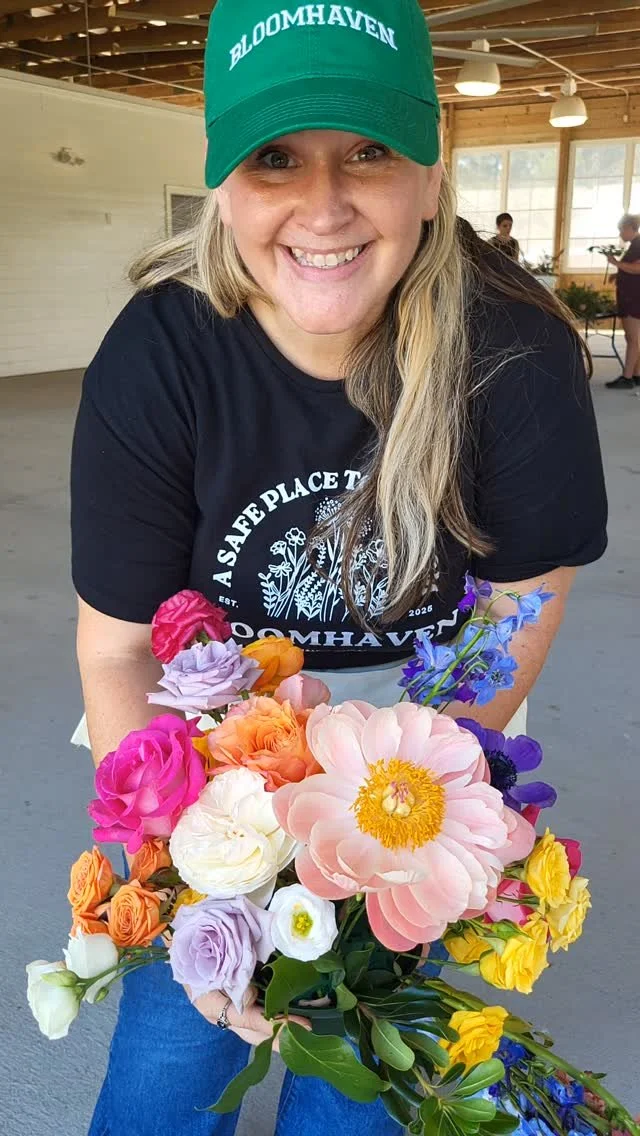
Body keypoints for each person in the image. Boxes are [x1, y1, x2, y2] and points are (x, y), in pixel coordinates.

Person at [69, 0, 608, 1132]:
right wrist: (190, 871)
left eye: (368, 151)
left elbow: (517, 604)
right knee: (165, 1077)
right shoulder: (160, 352)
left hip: (428, 735)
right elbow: (118, 649)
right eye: (276, 157)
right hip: (210, 751)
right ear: (223, 181)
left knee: (358, 1087)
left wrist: (398, 833)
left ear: (431, 173)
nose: (323, 206)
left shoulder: (513, 350)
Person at [604, 213, 640, 390]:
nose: (620, 233)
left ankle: (627, 378)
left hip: (633, 298)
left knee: (632, 338)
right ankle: (636, 374)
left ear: (629, 228)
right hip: (631, 296)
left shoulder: (638, 244)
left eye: (621, 230)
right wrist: (618, 274)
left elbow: (637, 268)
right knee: (633, 338)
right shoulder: (634, 245)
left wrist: (616, 263)